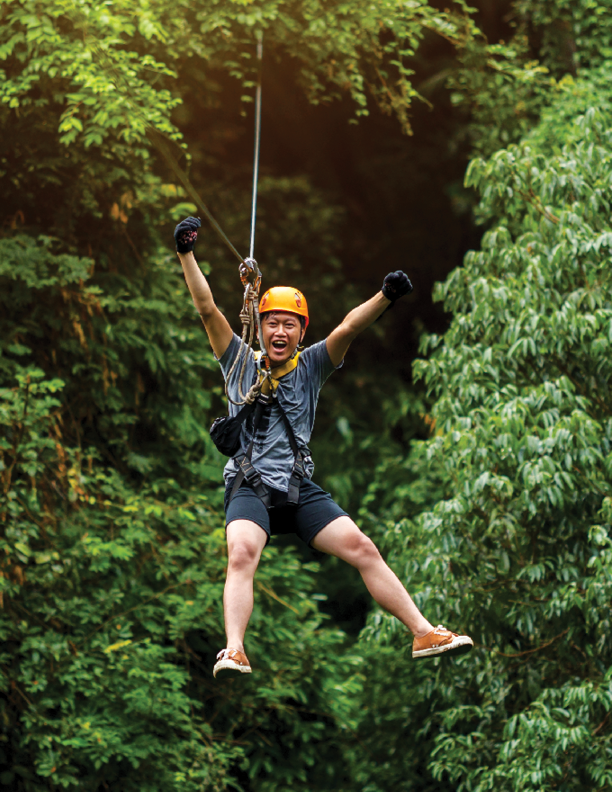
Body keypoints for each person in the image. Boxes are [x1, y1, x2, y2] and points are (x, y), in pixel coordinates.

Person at [174, 217, 473, 677]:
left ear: (300, 331)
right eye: (271, 322)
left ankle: (423, 632)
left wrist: (386, 296)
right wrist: (186, 253)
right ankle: (234, 648)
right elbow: (206, 307)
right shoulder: (237, 360)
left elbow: (348, 328)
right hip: (249, 486)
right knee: (241, 554)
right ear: (259, 323)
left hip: (295, 489)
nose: (279, 331)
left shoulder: (312, 365)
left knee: (362, 548)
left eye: (289, 325)